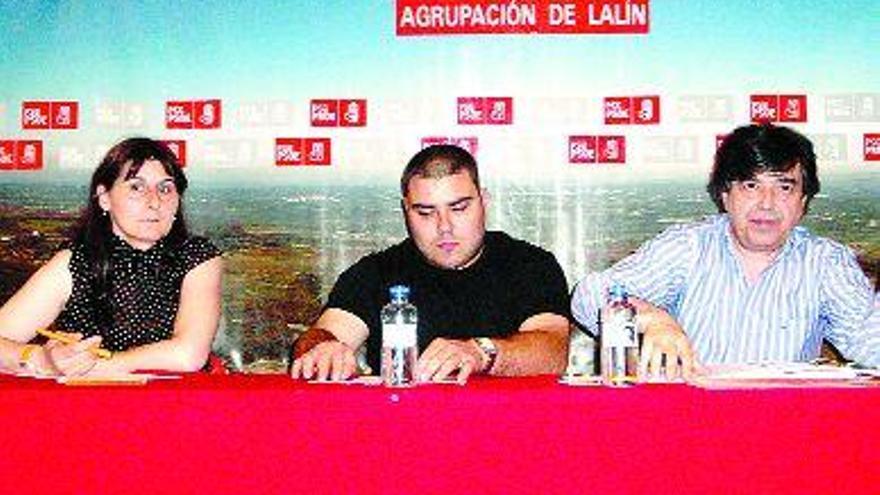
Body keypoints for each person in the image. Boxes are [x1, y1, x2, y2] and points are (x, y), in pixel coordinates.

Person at [571, 124, 879, 379]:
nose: (767, 203)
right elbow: (588, 296)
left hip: (785, 428)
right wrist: (651, 318)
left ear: (803, 202)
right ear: (724, 195)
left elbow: (870, 342)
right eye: (750, 186)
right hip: (687, 426)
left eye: (785, 187)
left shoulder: (826, 262)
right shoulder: (689, 246)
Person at [290, 144, 570, 383]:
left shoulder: (530, 265)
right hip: (402, 432)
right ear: (406, 211)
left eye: (459, 208)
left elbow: (553, 352)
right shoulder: (375, 273)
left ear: (484, 201)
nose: (444, 226)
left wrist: (480, 353)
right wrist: (322, 349)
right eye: (425, 212)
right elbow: (323, 335)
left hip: (509, 430)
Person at [0, 138, 223, 376]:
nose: (155, 201)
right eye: (136, 187)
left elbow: (188, 355)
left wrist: (94, 367)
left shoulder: (197, 257)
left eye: (165, 188)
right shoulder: (76, 262)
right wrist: (40, 359)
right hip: (89, 407)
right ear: (104, 197)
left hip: (174, 406)